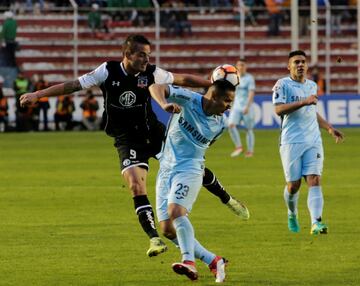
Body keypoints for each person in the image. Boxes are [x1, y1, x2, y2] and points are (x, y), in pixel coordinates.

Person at [20, 34, 247, 258]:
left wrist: (216, 86)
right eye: (142, 55)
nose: (147, 60)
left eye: (148, 55)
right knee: (135, 186)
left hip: (151, 131)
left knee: (188, 163)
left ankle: (227, 198)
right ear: (127, 54)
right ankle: (154, 237)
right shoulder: (107, 71)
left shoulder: (151, 73)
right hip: (126, 138)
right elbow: (73, 85)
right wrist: (38, 95)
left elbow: (182, 79)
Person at [149, 73, 238, 282]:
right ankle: (214, 260)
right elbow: (156, 86)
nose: (229, 106)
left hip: (190, 169)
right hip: (166, 167)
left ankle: (188, 261)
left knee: (176, 211)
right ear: (214, 96)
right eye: (227, 101)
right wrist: (163, 104)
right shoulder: (189, 99)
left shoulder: (221, 125)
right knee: (167, 230)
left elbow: (206, 147)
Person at [272, 50, 344, 235]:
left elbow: (312, 112)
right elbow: (278, 110)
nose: (300, 65)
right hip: (291, 141)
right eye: (296, 62)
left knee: (314, 179)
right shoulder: (282, 85)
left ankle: (316, 223)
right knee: (293, 185)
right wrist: (303, 102)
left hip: (313, 140)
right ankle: (291, 212)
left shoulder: (311, 85)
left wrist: (328, 127)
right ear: (289, 66)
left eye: (303, 61)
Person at [228, 59, 256, 158]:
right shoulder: (234, 77)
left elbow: (251, 93)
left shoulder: (249, 78)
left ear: (246, 66)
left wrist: (247, 106)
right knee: (230, 125)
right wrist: (231, 105)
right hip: (236, 106)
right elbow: (233, 93)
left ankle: (250, 151)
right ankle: (239, 146)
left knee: (248, 129)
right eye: (239, 65)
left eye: (242, 65)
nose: (241, 67)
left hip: (246, 107)